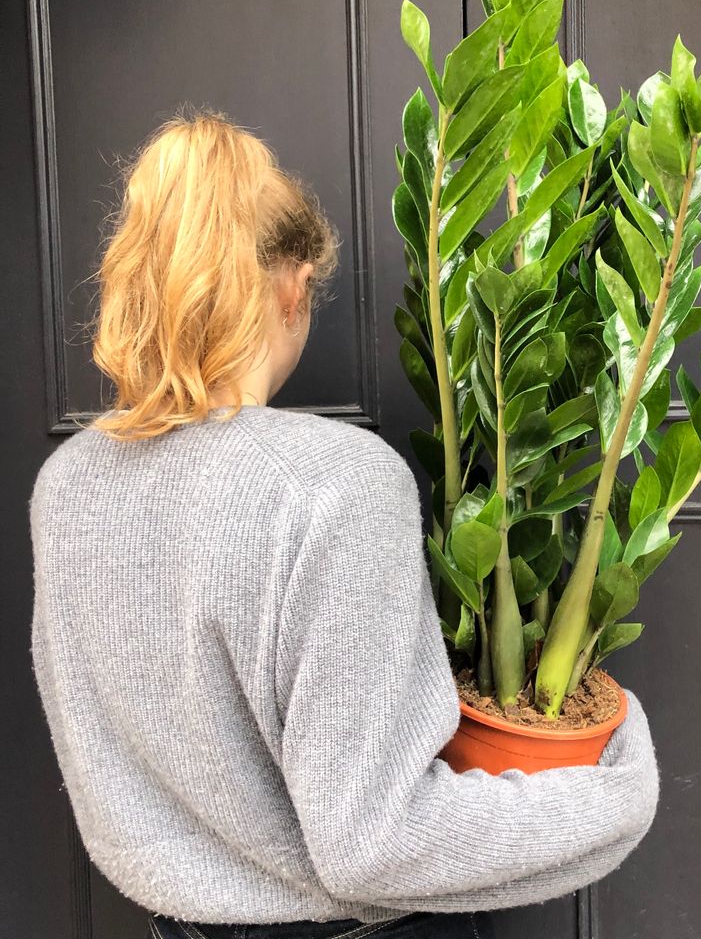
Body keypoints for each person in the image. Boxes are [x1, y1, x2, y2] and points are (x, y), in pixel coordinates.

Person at [28, 109, 661, 939]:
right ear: (292, 283)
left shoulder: (69, 481)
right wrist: (614, 792)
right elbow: (377, 842)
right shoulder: (333, 487)